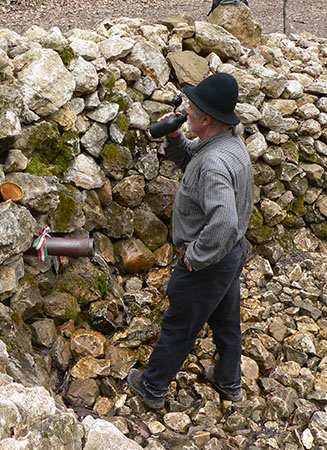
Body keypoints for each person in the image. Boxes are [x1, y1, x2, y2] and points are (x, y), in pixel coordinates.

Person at [127, 73, 254, 408]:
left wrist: (195, 257)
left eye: (190, 108)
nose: (186, 110)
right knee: (226, 321)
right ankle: (228, 381)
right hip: (231, 254)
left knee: (179, 325)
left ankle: (152, 388)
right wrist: (174, 136)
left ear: (206, 119)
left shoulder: (213, 163)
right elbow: (189, 159)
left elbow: (224, 221)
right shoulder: (227, 142)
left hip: (208, 261)